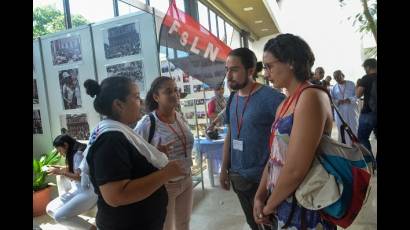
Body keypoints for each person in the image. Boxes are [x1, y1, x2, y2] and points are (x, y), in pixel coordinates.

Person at [254, 33, 336, 229]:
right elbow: (275, 157)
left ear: (290, 62)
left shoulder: (310, 97)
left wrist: (268, 207)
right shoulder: (285, 103)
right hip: (281, 200)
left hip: (306, 204)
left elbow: (296, 169)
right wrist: (260, 195)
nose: (266, 73)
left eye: (269, 66)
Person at [83, 77, 187, 230]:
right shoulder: (110, 140)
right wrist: (166, 174)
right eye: (137, 97)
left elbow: (130, 168)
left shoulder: (119, 131)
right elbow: (115, 195)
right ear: (118, 104)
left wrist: (154, 156)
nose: (142, 102)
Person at [220, 47, 285, 230]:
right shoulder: (232, 98)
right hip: (239, 178)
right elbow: (231, 135)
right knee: (253, 224)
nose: (228, 75)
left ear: (250, 71)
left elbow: (285, 142)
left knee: (270, 225)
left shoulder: (272, 99)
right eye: (227, 70)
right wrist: (224, 168)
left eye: (234, 69)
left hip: (264, 181)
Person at [135, 76, 194, 230]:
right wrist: (156, 153)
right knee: (165, 227)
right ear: (156, 97)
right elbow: (135, 155)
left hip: (186, 179)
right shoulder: (147, 123)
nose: (174, 94)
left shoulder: (179, 116)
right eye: (168, 92)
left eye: (176, 90)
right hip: (165, 185)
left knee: (184, 224)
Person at [46, 134, 98, 230]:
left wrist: (60, 172)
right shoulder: (73, 154)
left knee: (59, 216)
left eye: (60, 150)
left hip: (89, 191)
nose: (60, 154)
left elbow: (79, 177)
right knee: (50, 209)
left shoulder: (78, 155)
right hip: (78, 189)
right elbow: (76, 169)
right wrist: (59, 168)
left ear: (65, 145)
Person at [330, 70, 359, 146]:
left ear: (343, 75)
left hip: (351, 110)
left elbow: (357, 96)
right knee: (341, 128)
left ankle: (355, 145)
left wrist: (349, 99)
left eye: (338, 76)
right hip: (340, 112)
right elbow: (331, 99)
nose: (337, 79)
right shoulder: (334, 88)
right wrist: (338, 101)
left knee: (353, 127)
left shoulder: (351, 84)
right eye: (335, 77)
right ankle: (344, 145)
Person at [356, 58, 377, 157]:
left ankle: (371, 163)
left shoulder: (366, 78)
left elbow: (358, 94)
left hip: (368, 113)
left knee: (362, 138)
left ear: (368, 67)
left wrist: (358, 85)